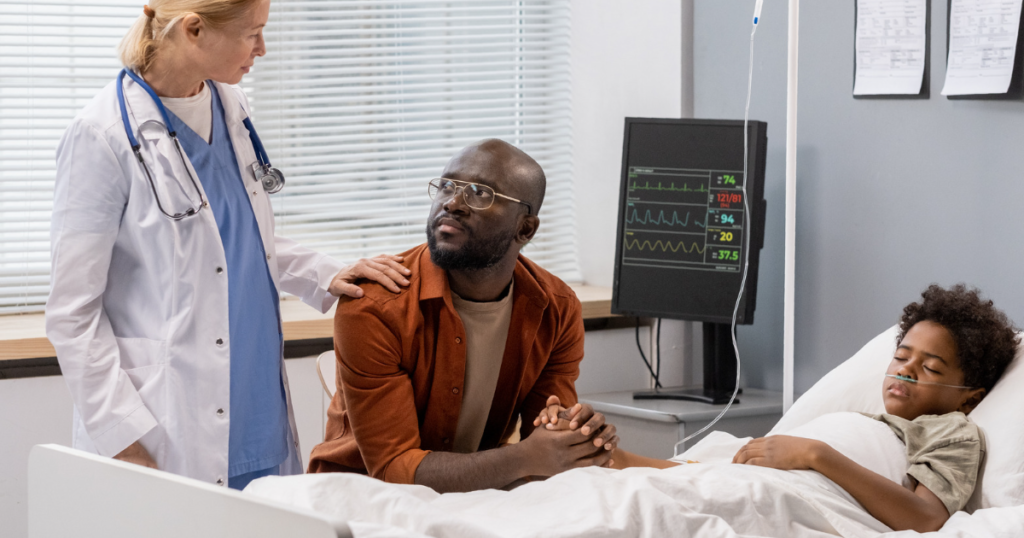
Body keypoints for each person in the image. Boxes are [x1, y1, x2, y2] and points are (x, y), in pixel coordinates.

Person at [46, 0, 410, 490]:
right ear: (194, 30)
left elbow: (234, 236)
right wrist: (121, 438)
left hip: (253, 400)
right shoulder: (101, 135)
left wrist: (324, 272)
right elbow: (73, 312)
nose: (263, 48)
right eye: (251, 33)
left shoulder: (231, 105)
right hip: (163, 423)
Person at [538, 284, 1020, 533]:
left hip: (792, 493)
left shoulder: (952, 430)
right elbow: (706, 474)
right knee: (612, 498)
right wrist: (610, 459)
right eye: (900, 356)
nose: (905, 371)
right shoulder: (858, 419)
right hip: (747, 480)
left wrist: (816, 456)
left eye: (930, 368)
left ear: (970, 395)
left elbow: (925, 519)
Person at [307, 139, 618, 492]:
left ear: (525, 229)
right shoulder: (374, 305)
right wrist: (526, 457)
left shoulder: (557, 308)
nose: (452, 203)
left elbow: (543, 434)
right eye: (446, 186)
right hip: (361, 497)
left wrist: (573, 436)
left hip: (479, 494)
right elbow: (393, 468)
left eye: (480, 194)